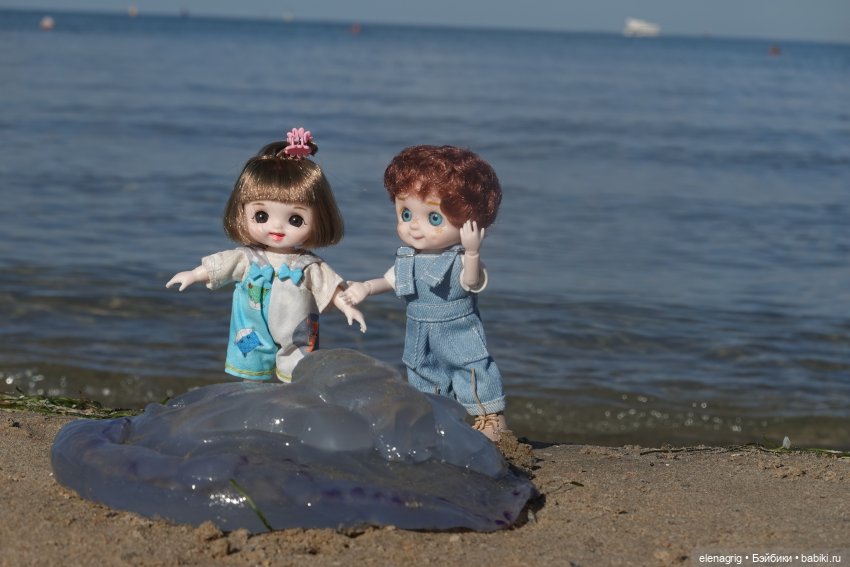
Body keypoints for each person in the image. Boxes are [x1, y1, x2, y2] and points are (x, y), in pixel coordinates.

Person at [167, 128, 366, 382]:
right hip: (251, 326)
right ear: (242, 212)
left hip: (297, 329)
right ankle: (250, 390)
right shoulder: (248, 258)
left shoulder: (307, 265)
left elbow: (328, 286)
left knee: (297, 371)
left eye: (295, 219)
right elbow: (222, 265)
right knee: (250, 368)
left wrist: (346, 305)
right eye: (261, 216)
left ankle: (293, 393)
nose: (277, 227)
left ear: (320, 218)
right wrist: (195, 274)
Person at [342, 145, 508, 442]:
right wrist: (365, 288)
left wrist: (472, 252)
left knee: (470, 367)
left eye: (433, 218)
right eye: (406, 214)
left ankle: (489, 418)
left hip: (457, 327)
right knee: (422, 370)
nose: (414, 227)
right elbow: (389, 281)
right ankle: (435, 418)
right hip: (419, 328)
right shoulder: (407, 259)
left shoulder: (460, 259)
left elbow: (471, 282)